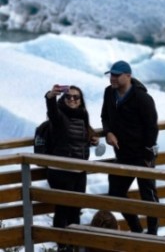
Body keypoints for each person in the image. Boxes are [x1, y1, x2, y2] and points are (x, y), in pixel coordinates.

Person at [100, 60, 160, 235]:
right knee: (116, 192)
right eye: (111, 75)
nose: (113, 78)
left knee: (148, 196)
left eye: (117, 75)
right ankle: (136, 229)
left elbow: (152, 127)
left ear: (128, 76)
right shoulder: (109, 93)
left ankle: (153, 234)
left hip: (142, 155)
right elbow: (105, 116)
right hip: (123, 154)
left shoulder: (142, 98)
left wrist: (147, 152)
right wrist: (108, 132)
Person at [43, 84, 99, 246]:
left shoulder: (82, 115)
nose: (72, 100)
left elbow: (79, 138)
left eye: (76, 97)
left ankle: (74, 246)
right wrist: (50, 96)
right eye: (68, 97)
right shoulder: (59, 116)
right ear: (63, 98)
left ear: (81, 100)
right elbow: (52, 111)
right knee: (63, 209)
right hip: (60, 171)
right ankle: (62, 247)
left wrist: (92, 140)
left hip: (79, 171)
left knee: (75, 210)